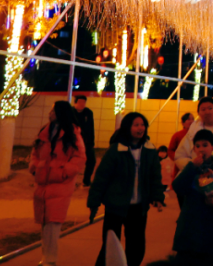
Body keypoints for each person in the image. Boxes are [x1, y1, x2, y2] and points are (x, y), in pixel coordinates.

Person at [88, 112, 166, 266]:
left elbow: (155, 176)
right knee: (110, 247)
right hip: (115, 207)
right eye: (136, 125)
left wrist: (157, 196)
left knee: (136, 247)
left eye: (142, 125)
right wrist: (94, 202)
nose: (140, 128)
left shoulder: (150, 150)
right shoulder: (116, 150)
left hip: (138, 208)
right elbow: (101, 178)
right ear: (127, 127)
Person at [30, 100, 86, 266]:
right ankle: (46, 257)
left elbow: (80, 157)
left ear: (61, 113)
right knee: (44, 222)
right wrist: (35, 167)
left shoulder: (72, 134)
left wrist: (64, 172)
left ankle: (50, 258)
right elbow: (35, 153)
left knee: (53, 223)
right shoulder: (45, 132)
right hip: (43, 183)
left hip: (61, 184)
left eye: (53, 110)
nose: (50, 113)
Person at [171, 128, 213, 266]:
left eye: (205, 145)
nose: (201, 149)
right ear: (194, 149)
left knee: (210, 260)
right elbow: (178, 187)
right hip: (190, 224)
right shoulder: (189, 168)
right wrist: (191, 167)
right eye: (198, 146)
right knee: (186, 260)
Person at [74, 94, 97, 187]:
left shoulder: (88, 113)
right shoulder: (71, 112)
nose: (82, 104)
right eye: (80, 102)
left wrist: (91, 141)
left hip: (86, 142)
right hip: (74, 141)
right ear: (75, 103)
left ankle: (86, 180)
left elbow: (91, 127)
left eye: (84, 102)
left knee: (91, 161)